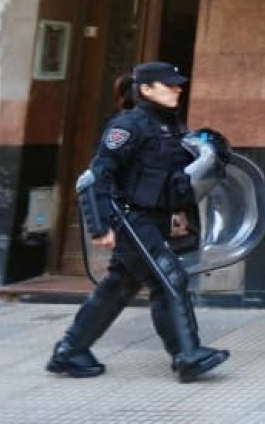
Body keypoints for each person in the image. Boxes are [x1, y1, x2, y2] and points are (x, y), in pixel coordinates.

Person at [47, 62, 231, 382]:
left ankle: (71, 350)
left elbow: (177, 180)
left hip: (154, 219)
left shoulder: (171, 126)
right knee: (168, 278)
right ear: (146, 89)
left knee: (120, 284)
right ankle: (187, 355)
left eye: (178, 84)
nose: (177, 88)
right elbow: (97, 175)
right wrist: (99, 225)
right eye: (169, 84)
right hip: (131, 217)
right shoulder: (129, 125)